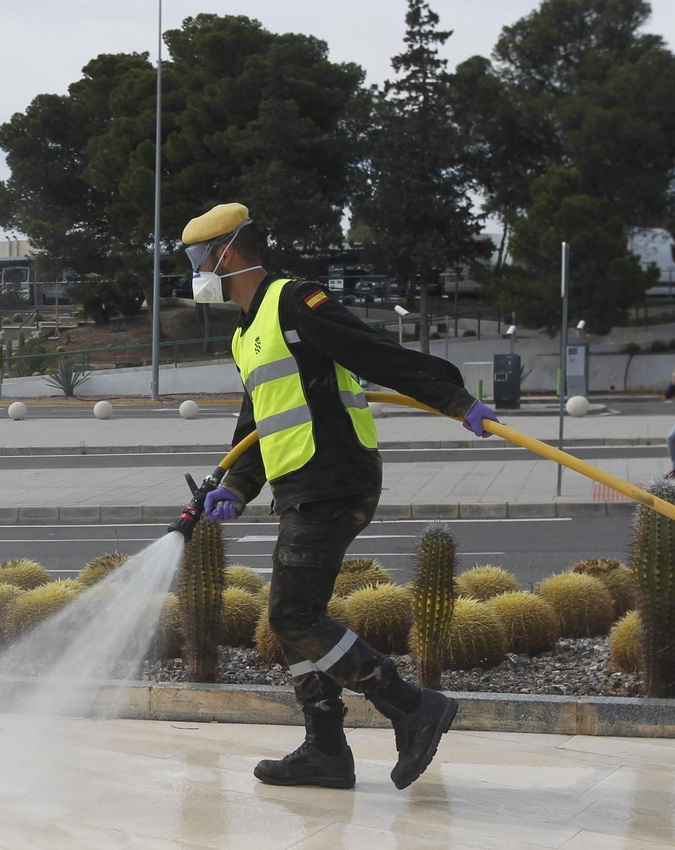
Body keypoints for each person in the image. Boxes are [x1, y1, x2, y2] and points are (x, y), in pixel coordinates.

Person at [180, 202, 497, 790]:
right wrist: (236, 483)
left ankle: (411, 706)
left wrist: (452, 399)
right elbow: (259, 419)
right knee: (293, 622)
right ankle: (325, 750)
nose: (195, 270)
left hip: (333, 477)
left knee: (292, 615)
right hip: (301, 484)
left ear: (227, 253)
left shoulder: (296, 300)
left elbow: (373, 351)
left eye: (199, 257)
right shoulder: (245, 331)